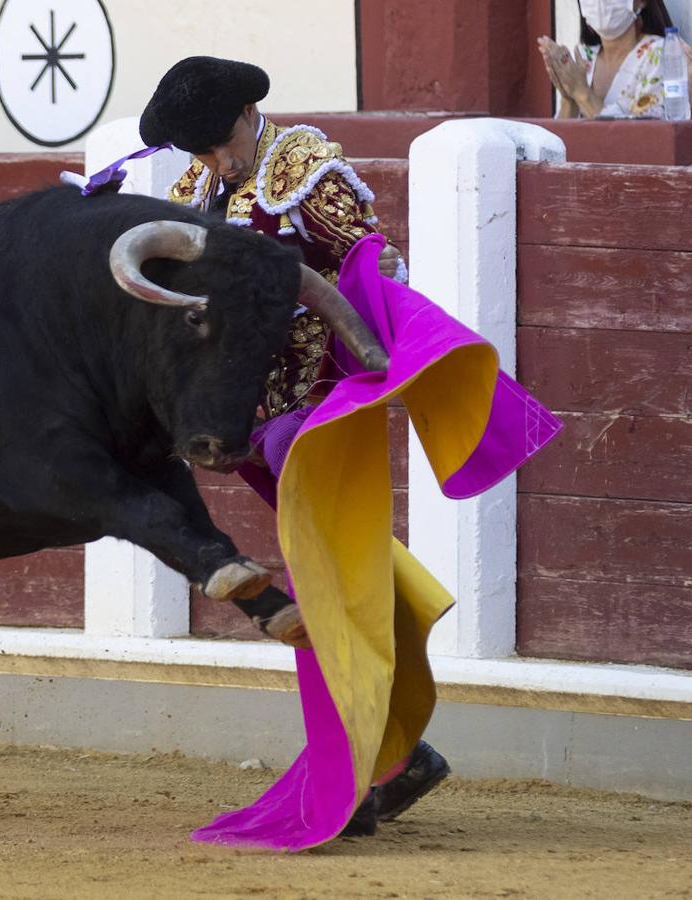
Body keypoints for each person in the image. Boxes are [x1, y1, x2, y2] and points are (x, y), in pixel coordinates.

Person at [138, 56, 447, 838]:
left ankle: (378, 757)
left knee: (325, 580)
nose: (215, 162)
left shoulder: (306, 171)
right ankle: (390, 754)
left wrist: (372, 373)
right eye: (199, 153)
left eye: (219, 144)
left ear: (249, 110)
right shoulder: (193, 193)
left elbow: (377, 268)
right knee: (341, 571)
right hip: (247, 427)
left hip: (312, 415)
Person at [536, 0, 675, 119]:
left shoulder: (660, 53)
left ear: (641, 1)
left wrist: (582, 93)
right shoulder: (583, 56)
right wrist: (569, 98)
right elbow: (559, 144)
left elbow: (641, 140)